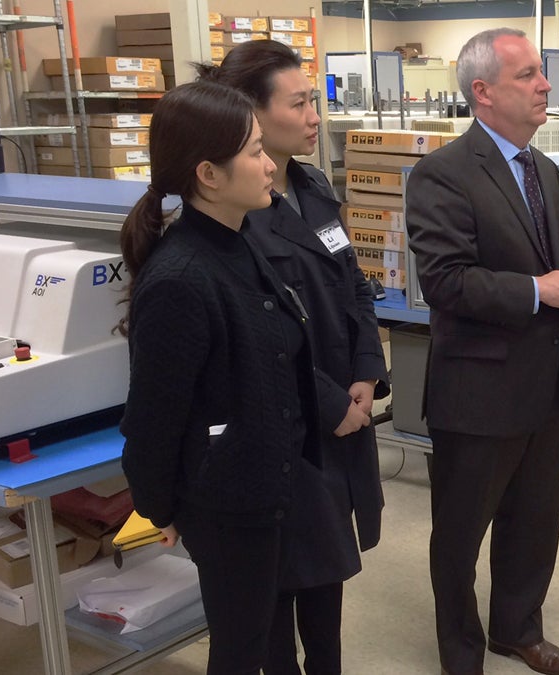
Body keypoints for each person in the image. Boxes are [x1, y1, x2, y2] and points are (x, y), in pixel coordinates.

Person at [197, 40, 390, 675]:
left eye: (315, 101)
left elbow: (354, 284)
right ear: (252, 112)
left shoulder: (311, 186)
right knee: (279, 591)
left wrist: (365, 374)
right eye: (301, 103)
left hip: (341, 413)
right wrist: (332, 402)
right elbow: (253, 345)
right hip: (289, 431)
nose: (316, 116)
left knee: (327, 579)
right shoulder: (235, 215)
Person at [404, 28, 559, 675]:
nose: (545, 85)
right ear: (482, 92)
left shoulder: (543, 169)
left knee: (535, 520)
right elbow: (446, 281)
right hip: (479, 391)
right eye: (528, 75)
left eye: (542, 74)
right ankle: (460, 649)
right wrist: (539, 290)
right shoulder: (441, 175)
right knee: (459, 533)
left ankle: (517, 627)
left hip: (546, 384)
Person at [118, 81, 321, 673]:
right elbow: (154, 417)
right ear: (209, 173)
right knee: (239, 649)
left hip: (266, 487)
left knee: (257, 636)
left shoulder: (237, 241)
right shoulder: (182, 277)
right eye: (255, 152)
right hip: (228, 503)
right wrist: (161, 507)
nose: (268, 165)